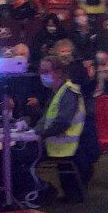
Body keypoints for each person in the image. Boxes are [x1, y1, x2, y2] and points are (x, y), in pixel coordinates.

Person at [32, 53, 85, 203]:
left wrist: (41, 134)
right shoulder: (56, 93)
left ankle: (44, 189)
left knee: (18, 159)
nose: (42, 76)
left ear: (58, 73)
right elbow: (47, 120)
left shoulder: (68, 93)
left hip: (64, 147)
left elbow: (62, 122)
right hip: (54, 144)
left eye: (46, 72)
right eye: (41, 72)